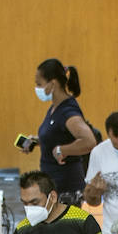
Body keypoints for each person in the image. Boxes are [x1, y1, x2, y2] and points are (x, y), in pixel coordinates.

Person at [27, 58, 97, 201]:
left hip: (66, 188)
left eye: (39, 84)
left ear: (52, 84)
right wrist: (36, 141)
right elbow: (58, 136)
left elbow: (89, 141)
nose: (37, 88)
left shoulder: (68, 112)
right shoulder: (55, 108)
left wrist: (62, 150)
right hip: (53, 184)